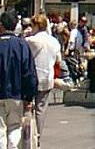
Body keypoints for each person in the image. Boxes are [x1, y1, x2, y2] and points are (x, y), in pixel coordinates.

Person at [0, 11, 38, 149]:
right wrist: (29, 96)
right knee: (15, 127)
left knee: (0, 129)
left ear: (1, 25)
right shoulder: (22, 45)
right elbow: (29, 73)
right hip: (16, 94)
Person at [27, 14, 61, 144]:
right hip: (47, 77)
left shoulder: (31, 41)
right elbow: (58, 60)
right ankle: (38, 137)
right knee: (41, 109)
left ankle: (28, 136)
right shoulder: (54, 41)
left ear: (37, 25)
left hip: (32, 77)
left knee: (28, 107)